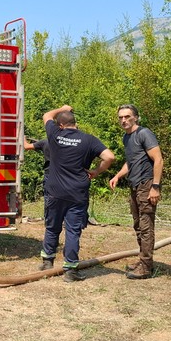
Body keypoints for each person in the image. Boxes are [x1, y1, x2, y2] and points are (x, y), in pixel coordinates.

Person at [39, 104, 116, 282]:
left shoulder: (55, 135)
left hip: (55, 191)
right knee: (73, 231)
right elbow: (110, 157)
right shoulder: (89, 140)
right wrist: (96, 171)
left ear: (60, 125)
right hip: (77, 193)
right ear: (76, 124)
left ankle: (47, 262)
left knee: (52, 227)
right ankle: (70, 271)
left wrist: (62, 107)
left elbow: (46, 115)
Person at [108, 104, 164, 280]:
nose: (123, 120)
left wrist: (155, 187)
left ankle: (146, 267)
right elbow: (131, 162)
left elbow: (158, 159)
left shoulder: (144, 134)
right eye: (121, 117)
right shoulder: (127, 137)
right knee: (138, 225)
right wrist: (118, 175)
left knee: (146, 226)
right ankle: (143, 260)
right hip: (134, 185)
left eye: (127, 117)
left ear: (136, 117)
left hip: (146, 185)